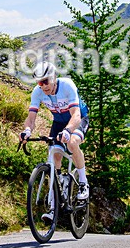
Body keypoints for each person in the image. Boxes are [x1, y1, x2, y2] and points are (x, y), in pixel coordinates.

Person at [20, 61, 90, 223]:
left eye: (45, 81)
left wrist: (67, 131)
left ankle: (83, 183)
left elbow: (76, 115)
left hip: (78, 119)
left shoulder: (67, 85)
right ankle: (55, 202)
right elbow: (31, 119)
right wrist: (27, 131)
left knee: (72, 143)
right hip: (59, 122)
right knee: (54, 156)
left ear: (54, 77)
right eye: (39, 82)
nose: (43, 86)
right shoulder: (37, 92)